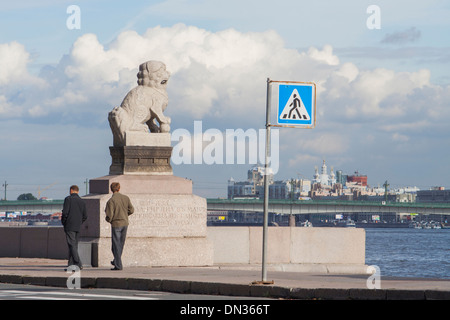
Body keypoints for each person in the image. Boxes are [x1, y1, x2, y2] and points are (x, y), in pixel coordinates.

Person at [105, 182, 134, 270]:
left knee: (115, 245)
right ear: (119, 188)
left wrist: (109, 220)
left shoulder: (111, 201)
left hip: (116, 224)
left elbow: (109, 215)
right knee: (121, 244)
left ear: (111, 189)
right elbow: (131, 210)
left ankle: (118, 265)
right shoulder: (126, 198)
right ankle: (116, 261)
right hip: (125, 223)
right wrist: (125, 215)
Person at [61, 185, 87, 270]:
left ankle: (78, 263)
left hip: (69, 225)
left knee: (71, 245)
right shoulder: (82, 201)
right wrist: (80, 222)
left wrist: (64, 222)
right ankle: (71, 265)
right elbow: (85, 216)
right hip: (78, 226)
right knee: (74, 245)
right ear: (78, 191)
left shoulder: (68, 199)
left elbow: (65, 213)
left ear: (71, 190)